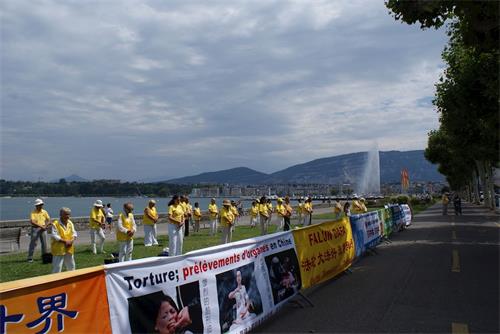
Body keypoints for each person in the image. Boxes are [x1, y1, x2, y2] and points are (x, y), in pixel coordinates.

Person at [50, 207, 76, 273]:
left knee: (71, 266)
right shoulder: (55, 224)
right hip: (59, 249)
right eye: (66, 214)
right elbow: (55, 236)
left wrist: (71, 241)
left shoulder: (70, 223)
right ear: (61, 214)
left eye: (69, 214)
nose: (68, 216)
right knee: (57, 268)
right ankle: (56, 282)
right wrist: (66, 241)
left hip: (69, 248)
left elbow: (74, 233)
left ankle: (72, 280)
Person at [27, 198, 51, 262]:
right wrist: (41, 226)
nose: (40, 206)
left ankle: (44, 256)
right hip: (35, 229)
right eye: (39, 205)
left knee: (44, 243)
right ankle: (30, 258)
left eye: (41, 204)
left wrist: (45, 226)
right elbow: (32, 222)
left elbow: (49, 220)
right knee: (33, 243)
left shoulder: (44, 212)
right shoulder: (33, 212)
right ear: (36, 206)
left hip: (43, 228)